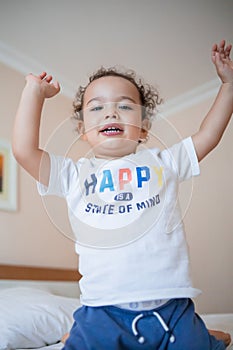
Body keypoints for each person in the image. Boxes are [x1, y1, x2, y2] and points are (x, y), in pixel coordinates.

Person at [12, 40, 232, 349]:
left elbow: (208, 135)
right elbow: (23, 151)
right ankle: (74, 333)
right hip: (103, 310)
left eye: (125, 106)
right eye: (97, 107)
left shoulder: (163, 162)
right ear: (82, 130)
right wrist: (33, 93)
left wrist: (228, 86)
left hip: (172, 305)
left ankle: (205, 335)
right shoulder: (73, 174)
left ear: (143, 128)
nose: (111, 112)